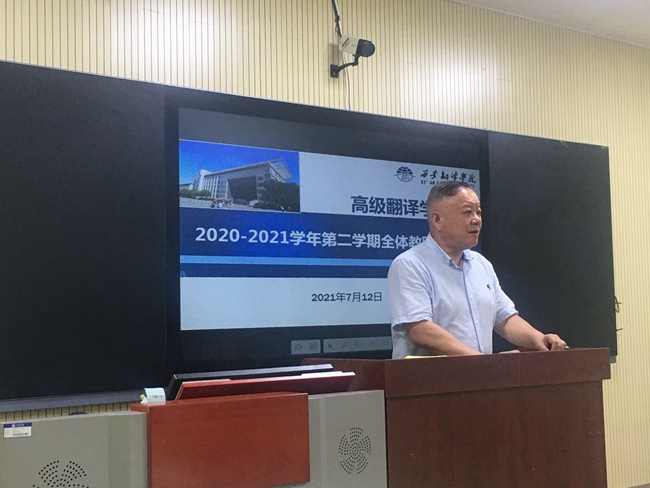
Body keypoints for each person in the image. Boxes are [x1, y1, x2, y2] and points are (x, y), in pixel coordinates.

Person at [388, 181, 568, 358]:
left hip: (481, 374)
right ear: (437, 220)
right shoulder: (410, 264)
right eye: (468, 212)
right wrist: (482, 362)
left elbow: (505, 319)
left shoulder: (481, 264)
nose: (477, 220)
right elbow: (421, 331)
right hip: (432, 377)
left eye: (478, 212)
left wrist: (538, 339)